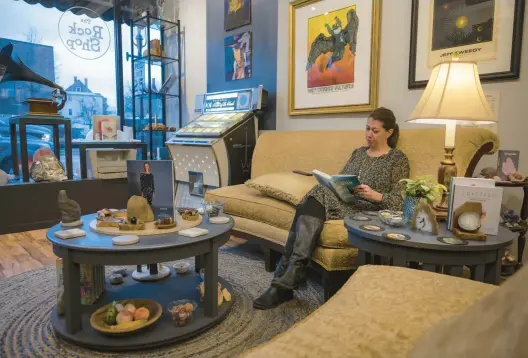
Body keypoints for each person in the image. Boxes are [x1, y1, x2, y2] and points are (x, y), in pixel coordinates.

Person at [253, 107, 411, 310]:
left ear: (389, 132)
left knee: (313, 197)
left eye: (375, 130)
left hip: (367, 209)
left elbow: (399, 201)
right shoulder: (359, 153)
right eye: (367, 129)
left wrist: (375, 195)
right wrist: (333, 183)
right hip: (345, 202)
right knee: (317, 192)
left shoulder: (397, 159)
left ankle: (286, 280)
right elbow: (342, 180)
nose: (369, 134)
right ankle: (289, 277)